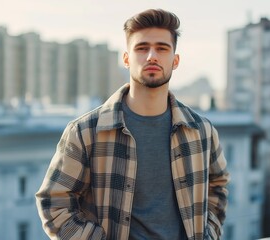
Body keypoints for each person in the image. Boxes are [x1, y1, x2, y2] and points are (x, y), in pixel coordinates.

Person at [35, 8, 229, 240]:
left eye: (162, 48)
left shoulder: (201, 131)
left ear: (175, 61)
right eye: (142, 48)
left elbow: (218, 187)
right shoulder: (86, 132)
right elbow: (53, 203)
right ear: (126, 59)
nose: (151, 56)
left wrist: (208, 234)